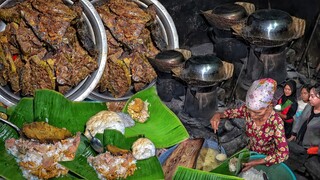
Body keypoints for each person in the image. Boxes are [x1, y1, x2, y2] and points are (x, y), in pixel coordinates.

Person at [211, 78, 289, 172]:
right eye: (250, 110)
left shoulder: (276, 122)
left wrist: (258, 161)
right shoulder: (248, 110)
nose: (252, 115)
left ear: (269, 106)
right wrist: (218, 115)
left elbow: (283, 154)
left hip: (266, 159)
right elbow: (231, 113)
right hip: (251, 152)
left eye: (258, 112)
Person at [285, 84, 320, 180]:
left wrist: (314, 150)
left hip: (309, 150)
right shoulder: (309, 106)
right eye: (310, 95)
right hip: (298, 141)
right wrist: (294, 133)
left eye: (313, 96)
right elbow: (300, 119)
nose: (310, 99)